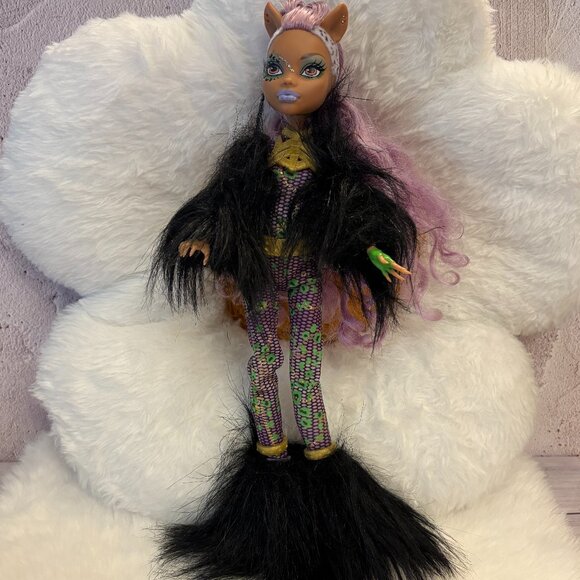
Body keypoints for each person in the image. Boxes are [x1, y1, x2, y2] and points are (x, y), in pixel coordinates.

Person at [151, 2, 465, 579]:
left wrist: (373, 253)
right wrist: (204, 237)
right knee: (263, 361)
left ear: (332, 76)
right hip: (259, 275)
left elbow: (357, 213)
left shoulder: (332, 160)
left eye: (308, 69)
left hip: (304, 274)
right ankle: (269, 449)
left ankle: (318, 450)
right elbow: (224, 203)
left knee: (305, 366)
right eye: (276, 69)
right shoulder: (252, 155)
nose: (288, 81)